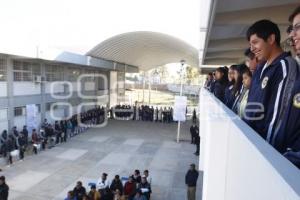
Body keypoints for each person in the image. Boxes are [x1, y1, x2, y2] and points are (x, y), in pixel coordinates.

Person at [244, 19, 299, 141]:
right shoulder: (260, 69)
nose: (252, 49)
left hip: (263, 149)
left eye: (255, 42)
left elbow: (278, 117)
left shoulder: (285, 66)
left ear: (270, 39)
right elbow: (251, 106)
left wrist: (265, 151)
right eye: (250, 44)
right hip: (249, 141)